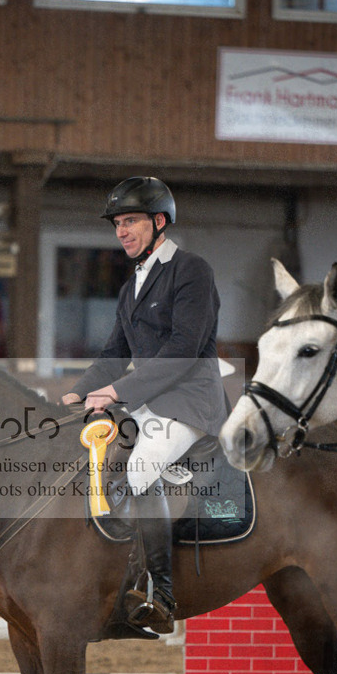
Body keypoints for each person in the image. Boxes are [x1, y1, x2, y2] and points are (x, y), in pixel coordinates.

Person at [62, 177, 229, 634]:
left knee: (140, 468)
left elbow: (183, 348)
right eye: (117, 223)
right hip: (148, 404)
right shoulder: (130, 286)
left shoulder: (191, 270)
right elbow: (114, 353)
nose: (121, 231)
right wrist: (76, 393)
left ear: (159, 221)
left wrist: (116, 392)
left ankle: (161, 593)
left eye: (131, 221)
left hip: (190, 403)